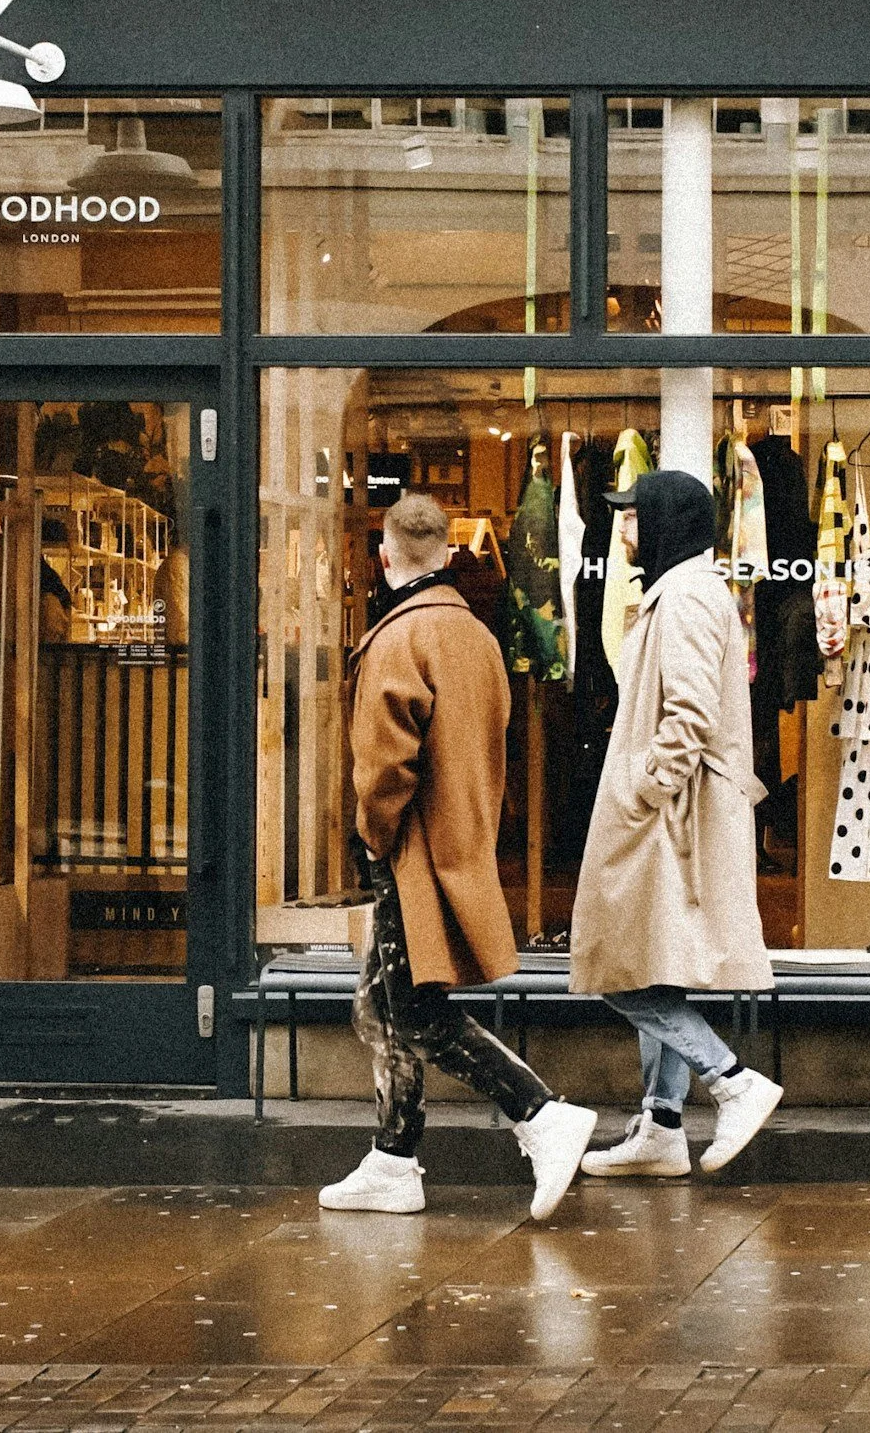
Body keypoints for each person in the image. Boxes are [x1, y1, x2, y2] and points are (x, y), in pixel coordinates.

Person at [320, 492, 598, 1220]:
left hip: (410, 850)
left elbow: (384, 767)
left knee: (409, 1012)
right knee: (383, 1006)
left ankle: (540, 1114)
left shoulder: (396, 638)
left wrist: (374, 835)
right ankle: (392, 1157)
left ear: (384, 558)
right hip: (461, 839)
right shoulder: (475, 635)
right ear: (447, 554)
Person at [571, 471, 783, 1179]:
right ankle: (661, 1124)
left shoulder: (687, 596)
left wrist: (646, 788)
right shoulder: (682, 591)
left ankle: (730, 1080)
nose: (622, 529)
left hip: (670, 814)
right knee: (651, 958)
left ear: (664, 521)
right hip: (671, 812)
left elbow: (688, 713)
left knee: (616, 963)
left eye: (631, 516)